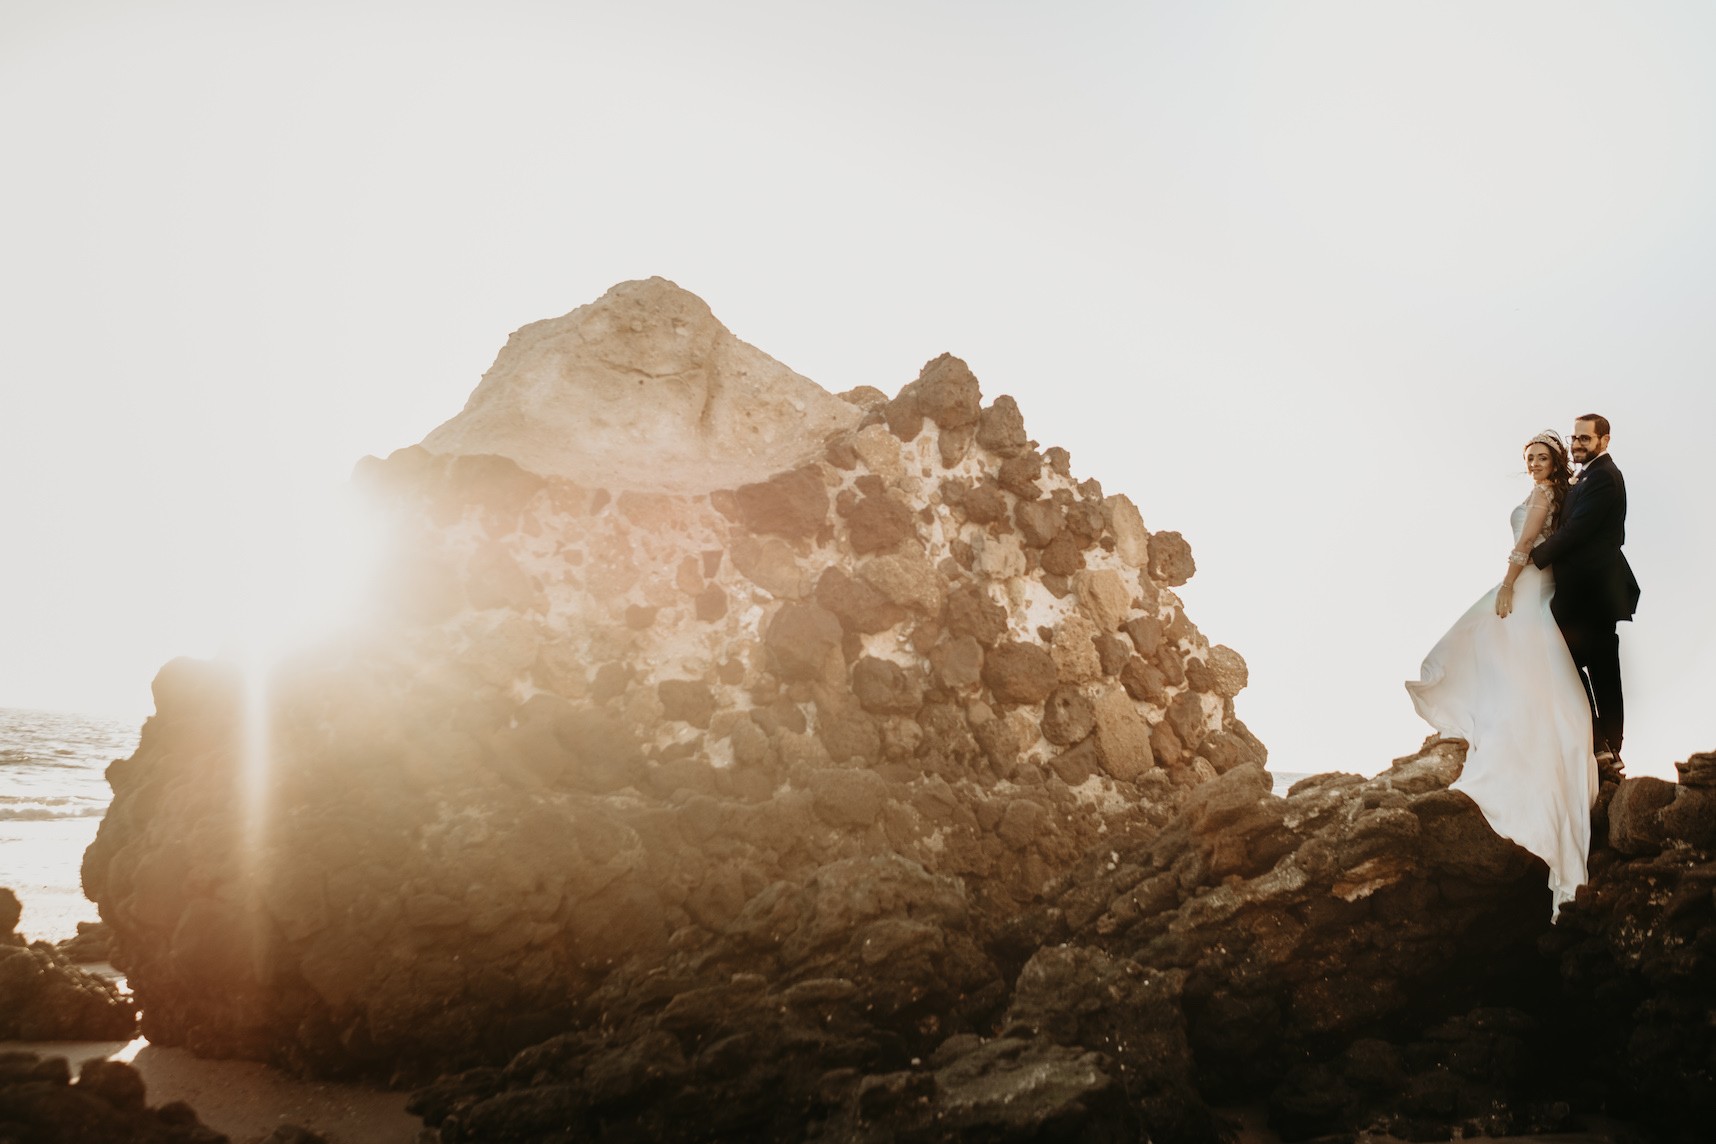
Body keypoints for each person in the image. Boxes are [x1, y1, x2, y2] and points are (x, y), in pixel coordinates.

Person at [1406, 430, 1597, 919]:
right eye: (1528, 457)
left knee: (1492, 639)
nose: (1533, 463)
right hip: (1543, 579)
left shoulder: (1544, 494)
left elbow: (1526, 542)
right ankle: (1521, 721)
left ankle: (1496, 721)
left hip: (1529, 578)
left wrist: (1508, 585)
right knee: (1520, 655)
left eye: (1541, 456)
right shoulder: (1559, 493)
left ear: (1555, 462)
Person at [1529, 414, 1641, 778]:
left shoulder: (1605, 477)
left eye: (1585, 439)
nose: (1577, 444)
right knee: (1579, 663)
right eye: (1574, 437)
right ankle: (1602, 744)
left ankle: (1606, 745)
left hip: (1594, 591)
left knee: (1593, 665)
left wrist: (1534, 557)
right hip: (1579, 591)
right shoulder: (1585, 476)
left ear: (1604, 441)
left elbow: (1578, 530)